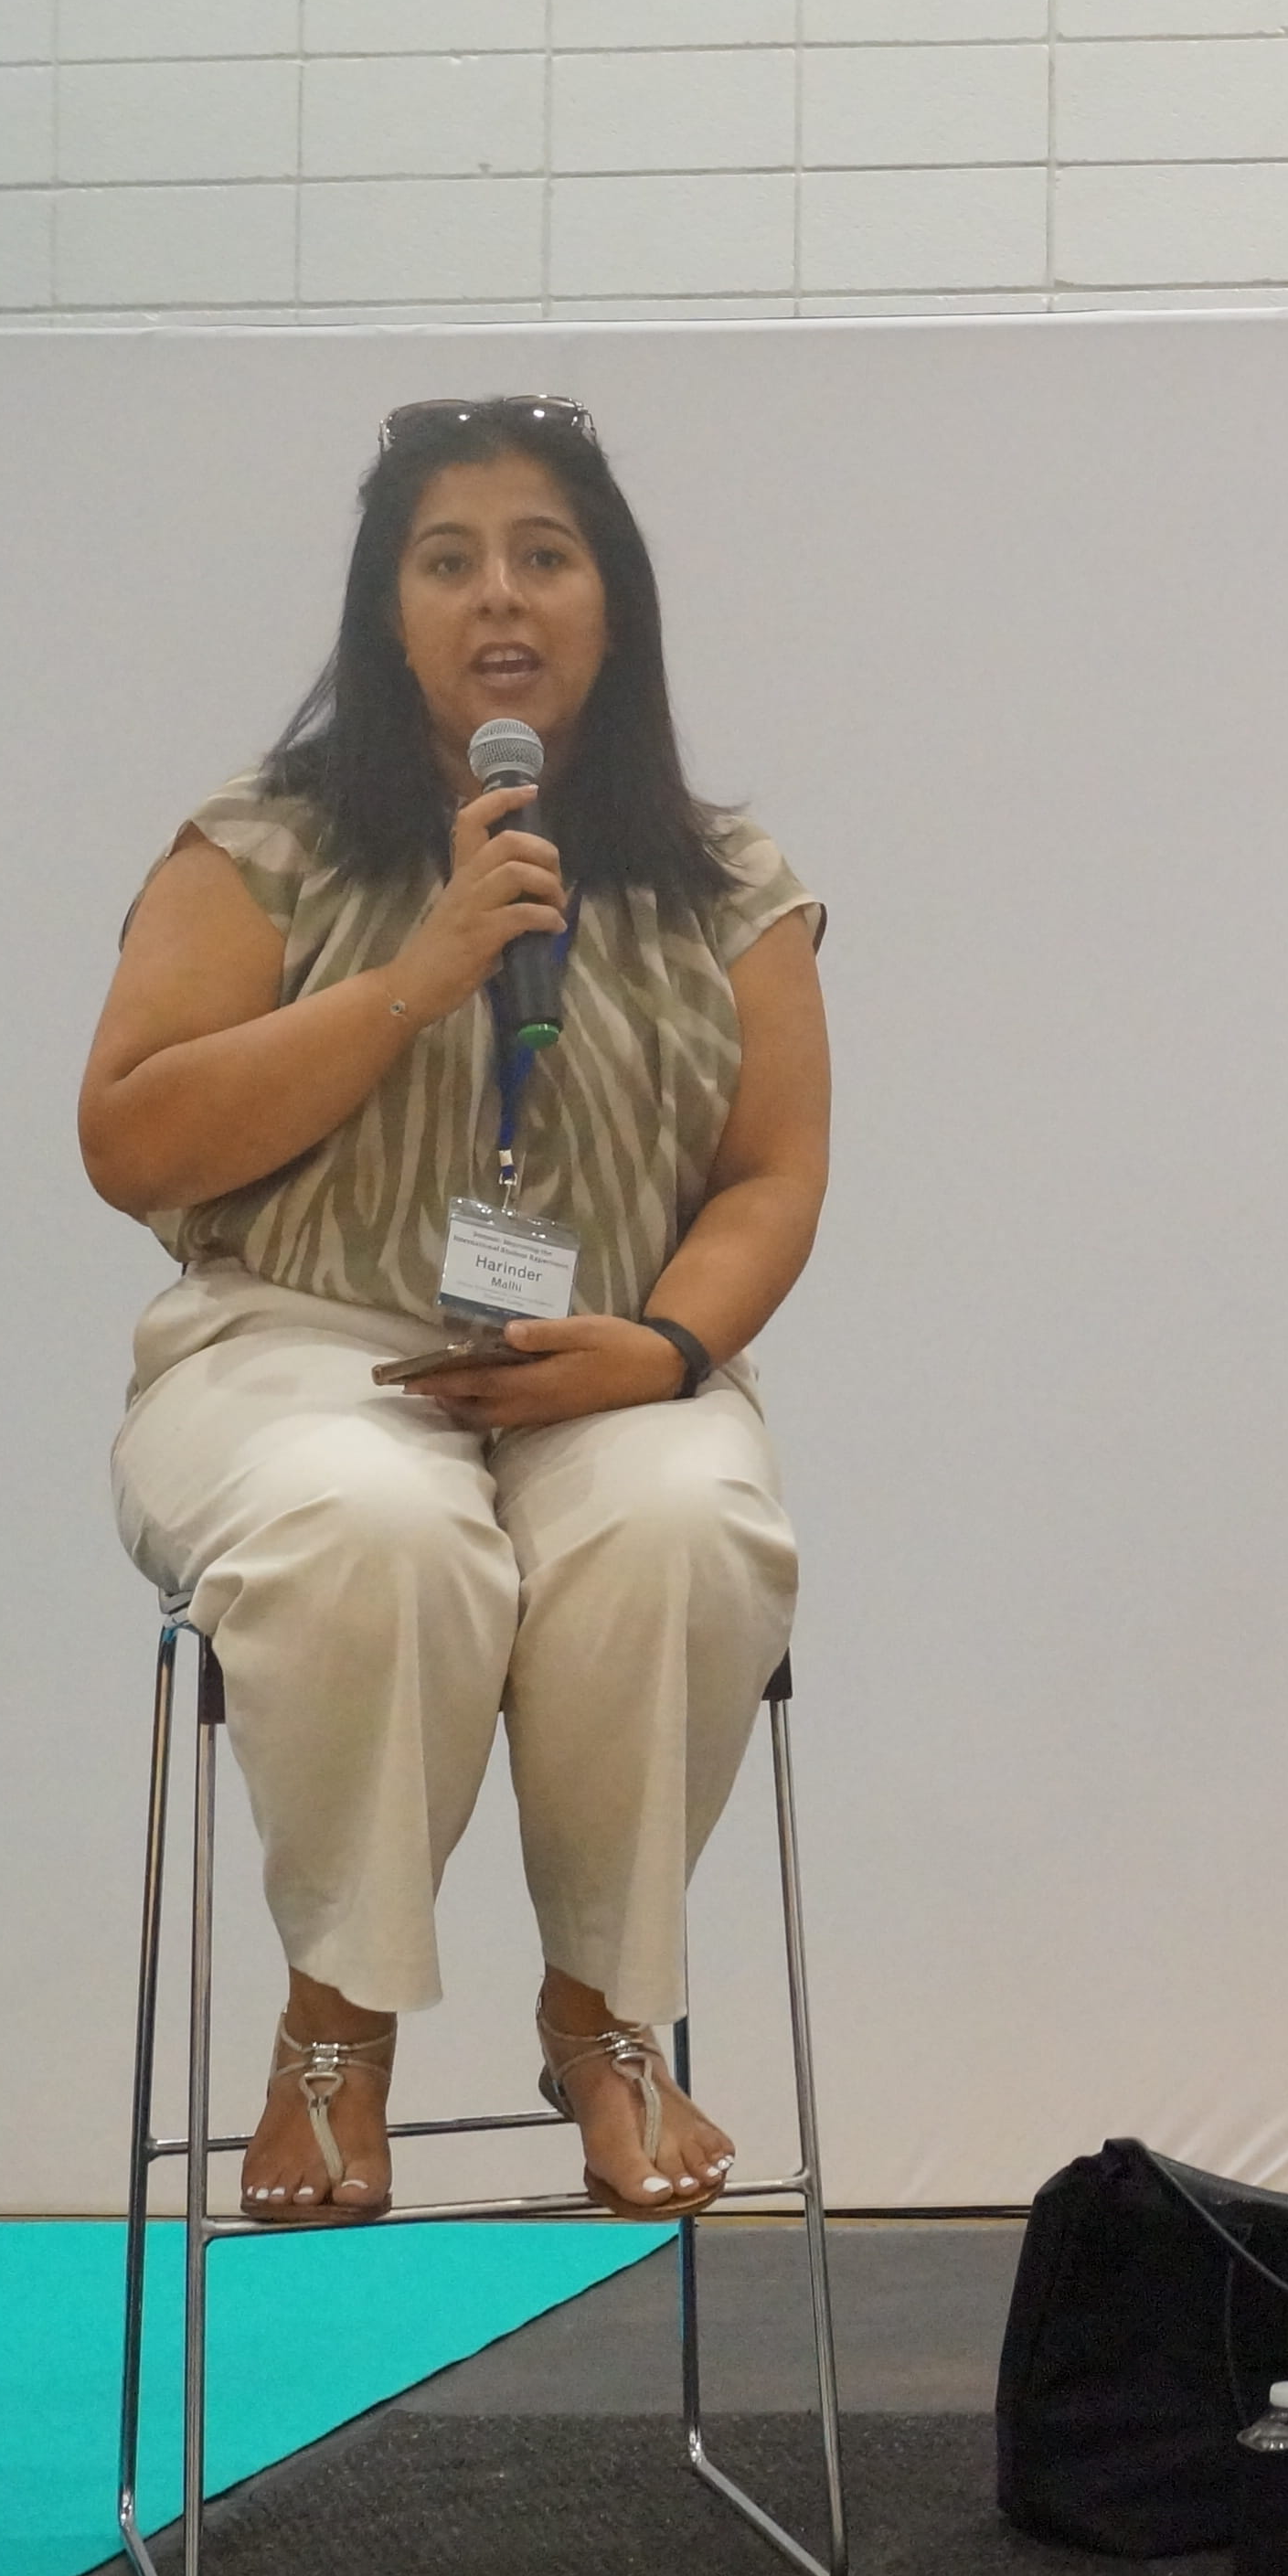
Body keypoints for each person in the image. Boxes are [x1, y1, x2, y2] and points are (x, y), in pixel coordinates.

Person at [80, 395, 827, 2227]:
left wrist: (658, 1352)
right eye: (447, 559)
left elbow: (769, 1176)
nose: (499, 596)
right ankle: (334, 2034)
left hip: (609, 1360)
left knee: (686, 1522)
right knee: (378, 1525)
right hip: (298, 1345)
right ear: (384, 607)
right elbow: (131, 1133)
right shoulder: (261, 844)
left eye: (544, 555)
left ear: (612, 601)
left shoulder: (728, 880)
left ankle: (604, 2013)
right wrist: (415, 978)